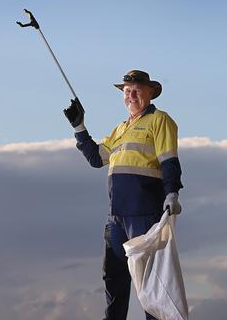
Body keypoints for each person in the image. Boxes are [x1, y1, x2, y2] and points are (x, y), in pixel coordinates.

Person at [64, 69, 183, 320]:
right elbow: (97, 159)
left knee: (150, 283)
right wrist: (79, 127)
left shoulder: (160, 120)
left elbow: (169, 161)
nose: (131, 95)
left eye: (137, 90)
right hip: (116, 216)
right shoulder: (119, 129)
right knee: (114, 278)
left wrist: (172, 193)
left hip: (145, 212)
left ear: (150, 92)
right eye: (127, 91)